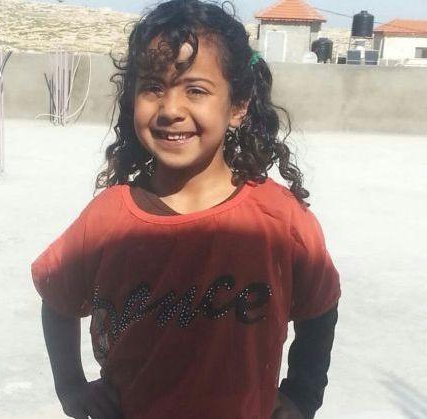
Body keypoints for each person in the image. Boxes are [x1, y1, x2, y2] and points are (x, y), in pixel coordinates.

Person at [31, 1, 341, 418]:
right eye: (153, 87)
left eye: (195, 90)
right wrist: (70, 386)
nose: (171, 110)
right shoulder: (108, 219)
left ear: (238, 106)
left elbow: (320, 307)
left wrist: (302, 394)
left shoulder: (279, 219)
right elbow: (57, 298)